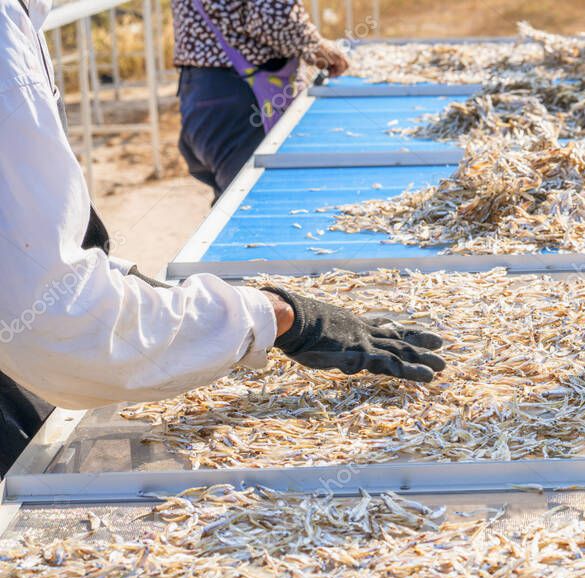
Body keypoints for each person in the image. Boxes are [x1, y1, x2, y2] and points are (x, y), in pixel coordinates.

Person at [0, 0, 445, 470]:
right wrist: (277, 316)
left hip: (206, 94)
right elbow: (56, 317)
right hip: (236, 96)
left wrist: (148, 290)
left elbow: (26, 261)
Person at [171, 0, 348, 198]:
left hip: (200, 92)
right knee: (254, 202)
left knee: (233, 203)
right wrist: (316, 46)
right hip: (240, 97)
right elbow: (273, 16)